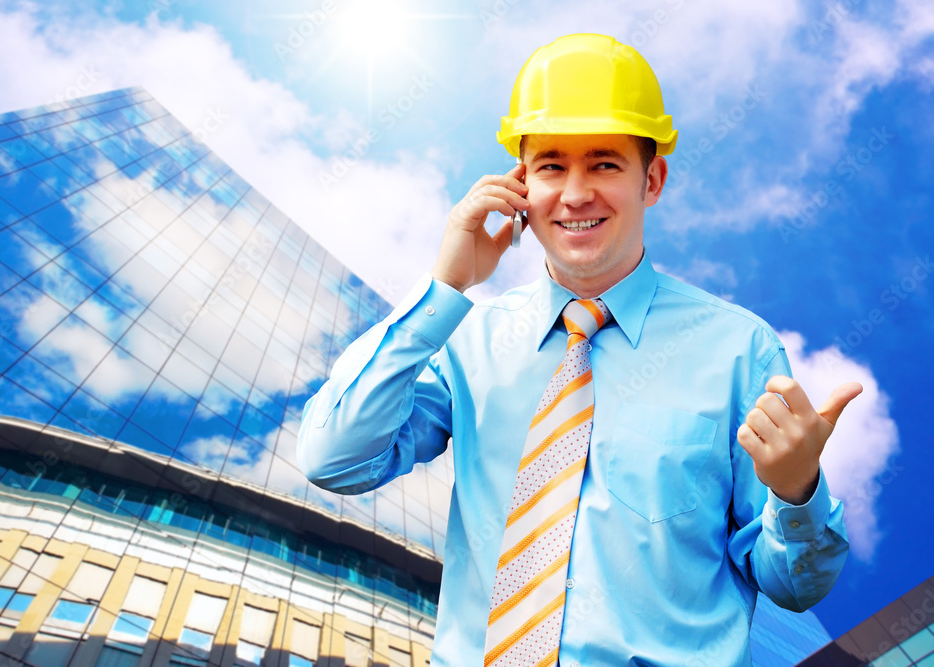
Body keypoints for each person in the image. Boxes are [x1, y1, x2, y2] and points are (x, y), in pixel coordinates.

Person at [297, 33, 857, 666]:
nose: (575, 193)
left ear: (653, 179)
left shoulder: (738, 349)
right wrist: (444, 288)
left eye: (605, 164)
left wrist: (796, 490)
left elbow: (794, 585)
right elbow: (335, 461)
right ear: (519, 186)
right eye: (552, 166)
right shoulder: (469, 341)